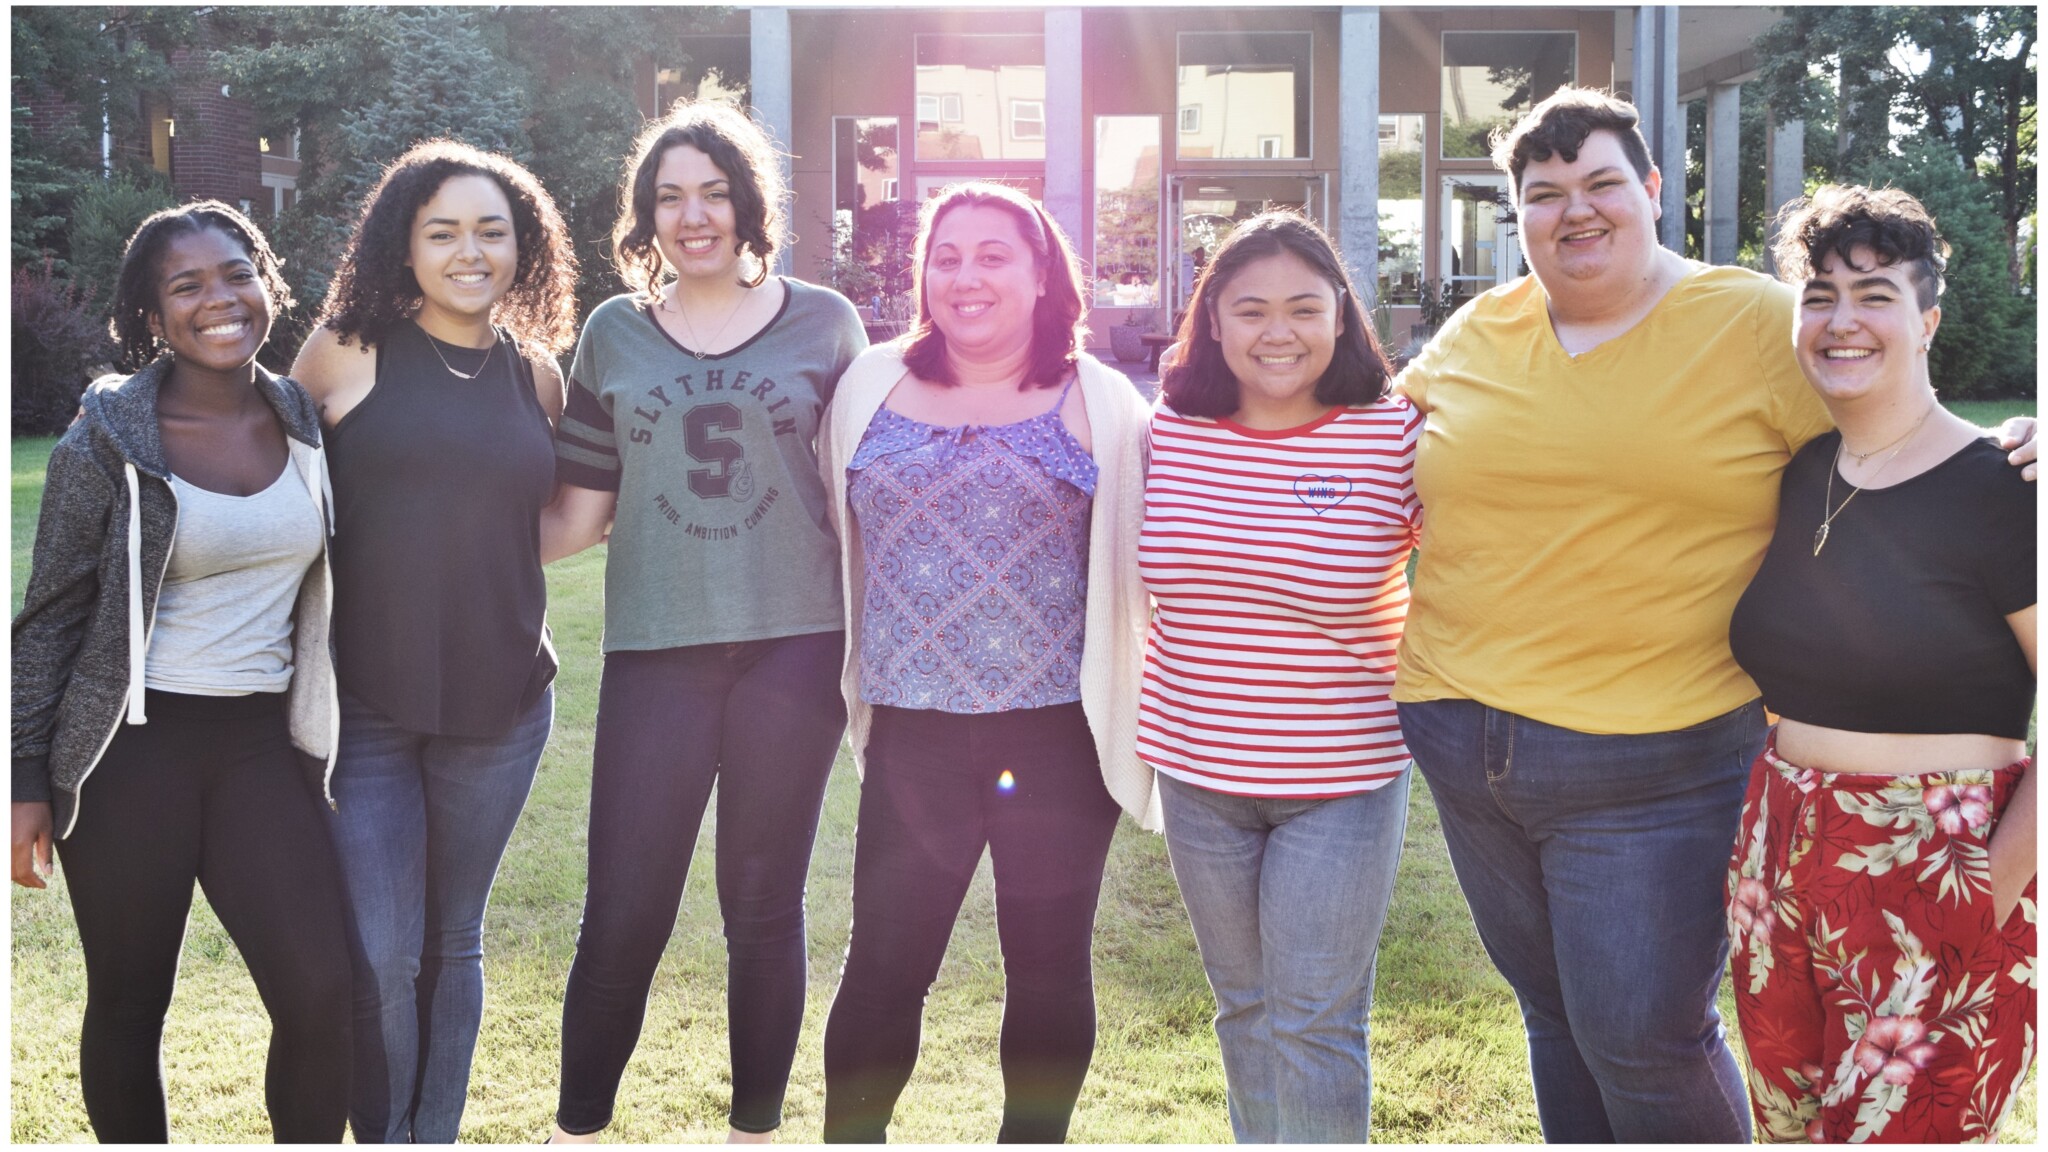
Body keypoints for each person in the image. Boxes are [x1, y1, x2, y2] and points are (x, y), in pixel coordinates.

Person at [1388, 86, 2038, 1142]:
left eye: (1600, 181)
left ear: (1651, 190)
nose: (1574, 209)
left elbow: (1895, 426)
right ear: (1516, 214)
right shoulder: (1477, 327)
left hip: (1652, 758)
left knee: (1643, 1039)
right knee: (1554, 1016)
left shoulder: (1751, 325)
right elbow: (1362, 452)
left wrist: (2025, 445)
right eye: (1543, 192)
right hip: (1465, 739)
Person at [542, 100, 868, 1144]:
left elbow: (862, 495)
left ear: (747, 205)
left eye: (713, 193)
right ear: (645, 216)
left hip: (794, 644)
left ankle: (753, 1132)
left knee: (763, 908)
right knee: (623, 913)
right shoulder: (612, 333)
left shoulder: (825, 321)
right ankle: (578, 1129)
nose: (693, 216)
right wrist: (433, 527)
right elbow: (578, 514)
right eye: (669, 197)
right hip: (656, 651)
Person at [816, 180, 1154, 1143]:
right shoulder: (871, 384)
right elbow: (825, 528)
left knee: (1048, 962)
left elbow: (1149, 553)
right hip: (912, 733)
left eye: (994, 255)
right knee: (884, 962)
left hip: (1055, 738)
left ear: (1043, 272)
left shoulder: (1100, 399)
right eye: (946, 255)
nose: (966, 276)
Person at [10, 201, 351, 1141]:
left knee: (322, 992)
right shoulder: (102, 442)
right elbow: (46, 622)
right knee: (129, 1002)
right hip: (129, 753)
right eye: (187, 285)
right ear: (153, 317)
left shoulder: (307, 422)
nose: (219, 299)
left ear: (267, 284)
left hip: (261, 747)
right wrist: (24, 780)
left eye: (237, 273)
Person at [1725, 185, 2036, 1143]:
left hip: (1938, 863)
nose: (1841, 319)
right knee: (1791, 1131)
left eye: (1875, 294)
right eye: (1819, 294)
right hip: (1777, 860)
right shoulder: (1801, 471)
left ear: (1928, 319)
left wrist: (1993, 883)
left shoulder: (2006, 487)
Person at [288, 140, 579, 1143]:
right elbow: (274, 495)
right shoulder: (343, 350)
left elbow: (537, 520)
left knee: (455, 940)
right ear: (401, 245)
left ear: (523, 245)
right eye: (443, 231)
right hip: (364, 702)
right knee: (381, 951)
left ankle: (433, 1134)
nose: (470, 252)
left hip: (502, 706)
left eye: (491, 231)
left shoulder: (535, 374)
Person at [1142, 211, 1419, 1143]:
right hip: (1196, 775)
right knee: (1245, 1011)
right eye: (1250, 309)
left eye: (1304, 308)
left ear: (1341, 316)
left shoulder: (1396, 436)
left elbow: (1490, 560)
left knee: (1313, 1023)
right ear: (1211, 320)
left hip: (1340, 781)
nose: (1277, 332)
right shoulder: (1167, 433)